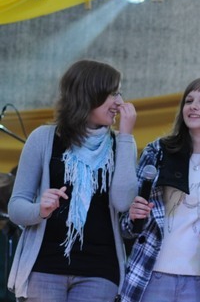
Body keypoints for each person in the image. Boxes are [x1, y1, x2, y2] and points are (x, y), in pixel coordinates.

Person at [7, 59, 138, 302]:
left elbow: (123, 202)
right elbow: (15, 208)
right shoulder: (43, 138)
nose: (119, 102)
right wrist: (40, 210)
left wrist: (126, 136)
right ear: (88, 94)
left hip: (100, 269)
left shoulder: (122, 143)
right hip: (45, 265)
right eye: (113, 93)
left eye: (119, 93)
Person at [119, 77, 200, 302]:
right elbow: (127, 225)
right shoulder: (158, 152)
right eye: (189, 100)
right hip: (149, 276)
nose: (193, 106)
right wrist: (133, 215)